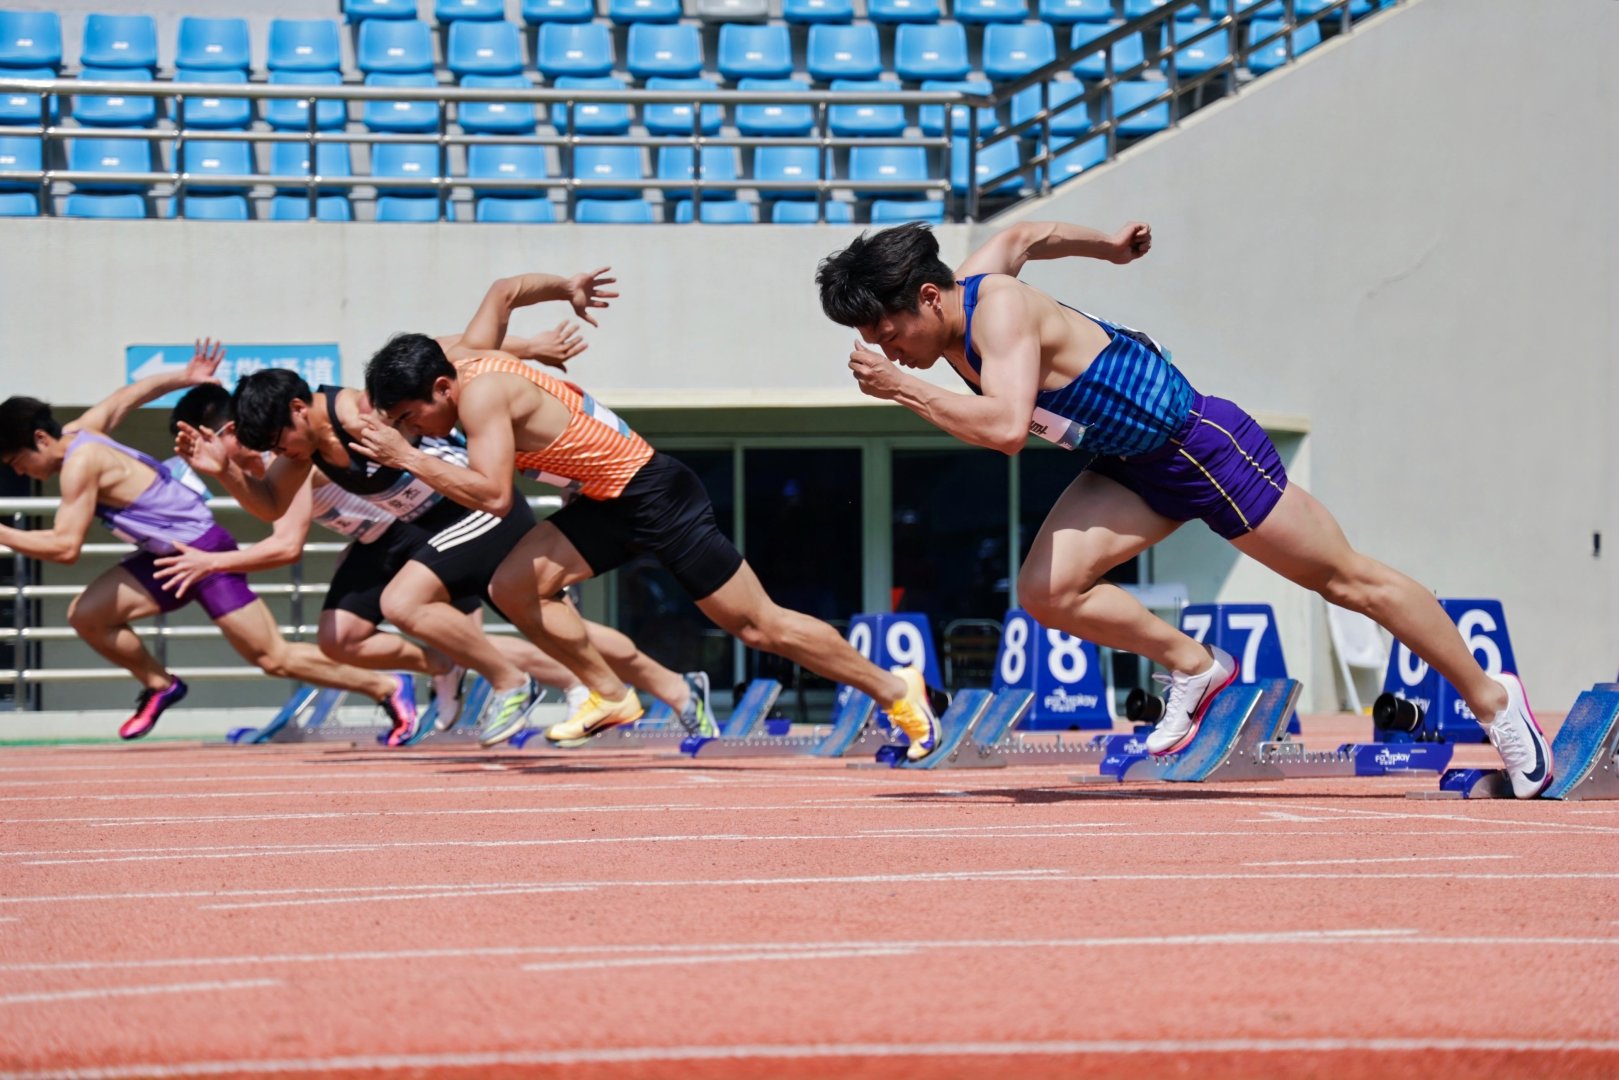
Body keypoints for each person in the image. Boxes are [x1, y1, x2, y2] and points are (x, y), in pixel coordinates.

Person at [814, 220, 1553, 798]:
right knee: (1046, 592)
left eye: (889, 332)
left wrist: (901, 390)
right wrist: (1107, 246)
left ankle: (1494, 700)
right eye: (874, 342)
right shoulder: (965, 294)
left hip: (1196, 449)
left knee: (1345, 581)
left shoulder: (996, 313)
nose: (890, 350)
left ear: (929, 298)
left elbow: (1006, 430)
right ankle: (1194, 666)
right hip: (1128, 468)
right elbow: (1022, 236)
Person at [356, 270, 942, 759]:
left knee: (758, 625)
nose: (415, 431)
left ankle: (896, 689)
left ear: (439, 388)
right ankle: (609, 692)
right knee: (512, 586)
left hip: (654, 494)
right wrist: (566, 287)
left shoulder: (480, 397)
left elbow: (492, 496)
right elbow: (505, 290)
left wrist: (405, 456)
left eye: (412, 418)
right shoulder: (461, 356)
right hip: (604, 500)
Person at [164, 383, 704, 737]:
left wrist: (523, 345)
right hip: (435, 527)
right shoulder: (301, 453)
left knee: (405, 602)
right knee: (551, 625)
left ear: (299, 410)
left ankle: (510, 680)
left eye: (282, 443)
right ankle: (679, 688)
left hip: (473, 508)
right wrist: (225, 473)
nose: (283, 458)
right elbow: (269, 506)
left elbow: (443, 359)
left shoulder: (358, 411)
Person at [0, 342, 416, 742]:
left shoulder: (79, 463)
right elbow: (128, 396)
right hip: (165, 556)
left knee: (272, 657)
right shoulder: (81, 430)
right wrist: (184, 377)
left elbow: (64, 547)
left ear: (39, 439)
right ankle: (159, 685)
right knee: (87, 615)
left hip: (203, 549)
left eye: (18, 462)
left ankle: (384, 684)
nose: (22, 473)